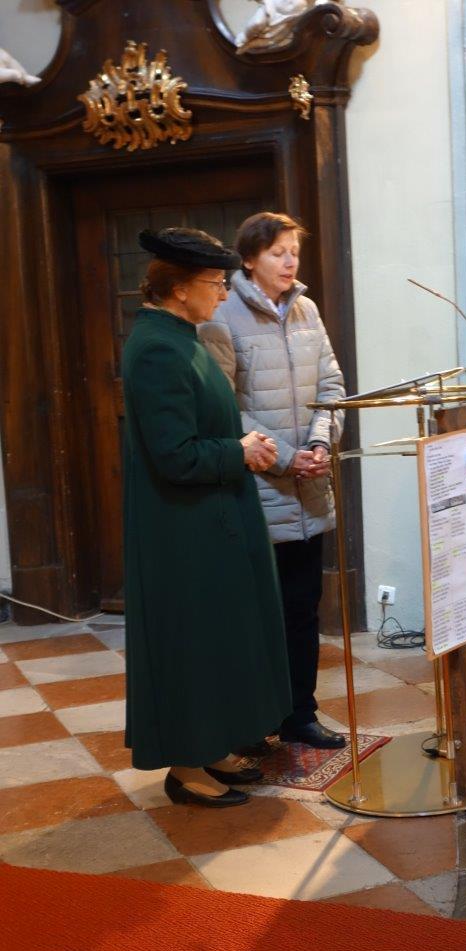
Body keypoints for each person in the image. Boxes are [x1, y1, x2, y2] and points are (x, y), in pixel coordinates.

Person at [123, 226, 292, 807]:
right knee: (190, 646)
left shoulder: (182, 338)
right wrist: (238, 452)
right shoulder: (156, 349)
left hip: (207, 518)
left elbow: (203, 427)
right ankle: (185, 768)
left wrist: (242, 443)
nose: (223, 293)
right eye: (215, 283)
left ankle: (211, 747)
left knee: (216, 640)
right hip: (181, 529)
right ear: (178, 288)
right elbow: (174, 455)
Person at [199, 212, 346, 750]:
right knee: (257, 614)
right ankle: (253, 719)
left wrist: (320, 444)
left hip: (309, 488)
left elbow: (331, 386)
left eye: (294, 252)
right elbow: (222, 407)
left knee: (303, 609)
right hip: (259, 489)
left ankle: (299, 715)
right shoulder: (222, 314)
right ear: (249, 259)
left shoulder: (307, 309)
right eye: (278, 252)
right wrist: (286, 458)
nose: (290, 262)